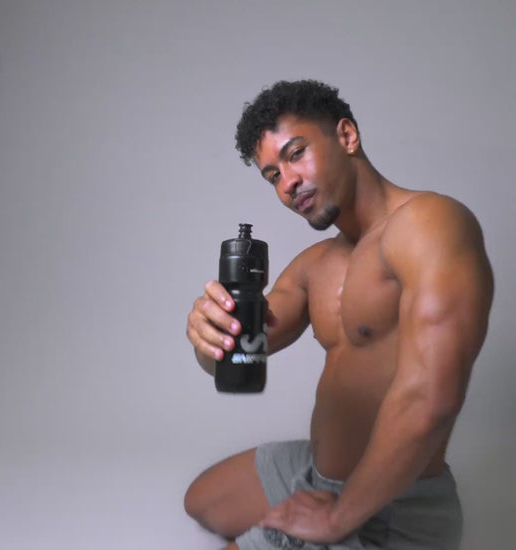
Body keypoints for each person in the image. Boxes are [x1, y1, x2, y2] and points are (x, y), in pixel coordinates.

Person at [184, 80, 494, 550]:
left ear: (347, 136)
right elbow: (234, 354)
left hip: (390, 508)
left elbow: (431, 398)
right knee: (202, 501)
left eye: (296, 154)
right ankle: (315, 494)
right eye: (272, 175)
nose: (287, 183)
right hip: (319, 473)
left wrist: (336, 519)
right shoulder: (316, 264)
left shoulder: (429, 224)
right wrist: (207, 335)